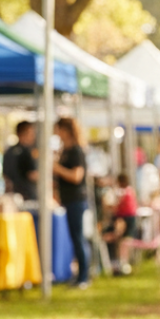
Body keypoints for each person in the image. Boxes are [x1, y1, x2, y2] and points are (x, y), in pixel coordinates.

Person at [53, 117, 92, 288]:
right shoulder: (65, 151)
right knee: (74, 238)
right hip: (68, 199)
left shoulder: (76, 151)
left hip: (76, 199)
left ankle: (84, 277)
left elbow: (76, 176)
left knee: (78, 237)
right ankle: (79, 275)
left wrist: (57, 168)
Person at [101, 173, 138, 275]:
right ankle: (122, 264)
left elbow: (117, 206)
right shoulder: (130, 191)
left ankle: (121, 264)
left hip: (124, 218)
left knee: (122, 242)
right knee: (124, 242)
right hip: (129, 218)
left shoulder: (123, 192)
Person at [2, 120, 37, 201]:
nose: (33, 136)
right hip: (28, 196)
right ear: (22, 134)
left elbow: (5, 176)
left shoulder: (9, 151)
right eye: (31, 133)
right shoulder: (26, 152)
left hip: (13, 196)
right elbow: (32, 175)